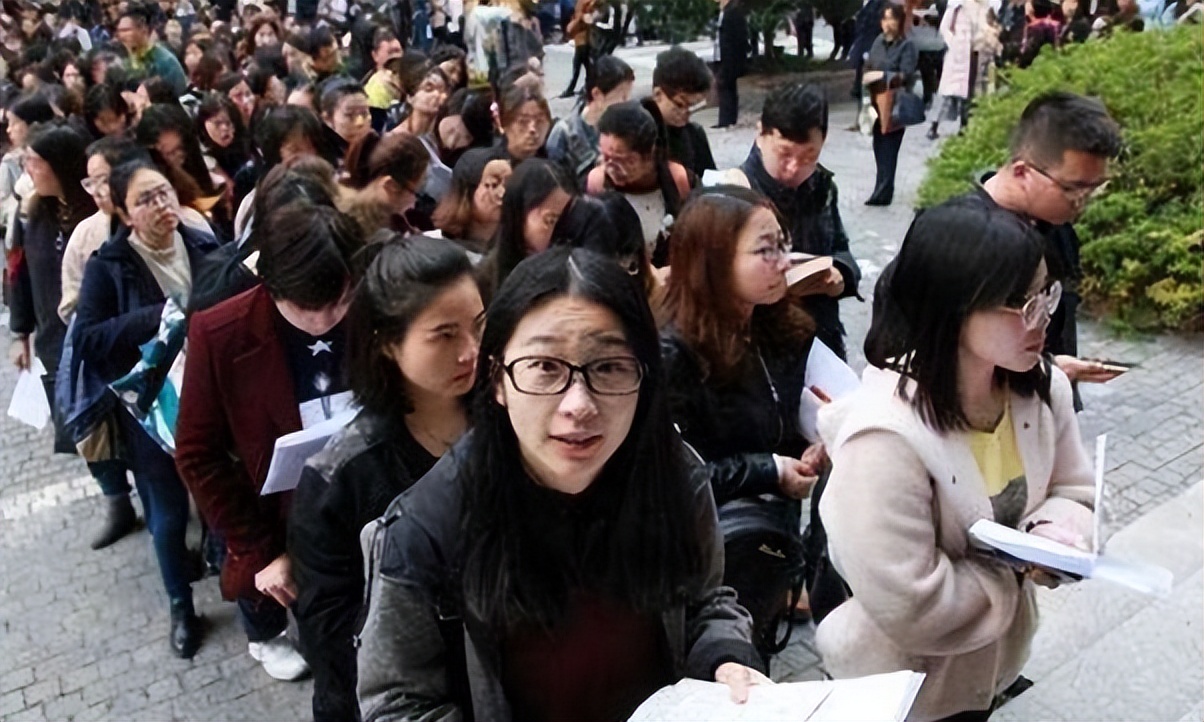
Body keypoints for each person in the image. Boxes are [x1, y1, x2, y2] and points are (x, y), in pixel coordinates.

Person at [356, 246, 768, 722]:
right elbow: (397, 705)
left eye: (609, 367)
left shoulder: (675, 477)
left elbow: (705, 599)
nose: (579, 405)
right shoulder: (429, 527)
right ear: (498, 380)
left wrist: (726, 657)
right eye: (546, 367)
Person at [817, 196, 1095, 722]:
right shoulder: (884, 438)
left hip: (990, 667)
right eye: (1022, 304)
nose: (1043, 320)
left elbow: (1073, 489)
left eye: (1046, 295)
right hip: (897, 687)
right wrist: (1016, 571)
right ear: (951, 306)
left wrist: (1059, 535)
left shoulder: (1040, 388)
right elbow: (911, 602)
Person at [290, 234, 483, 722]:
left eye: (478, 327)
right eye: (445, 335)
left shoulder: (513, 420)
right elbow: (331, 635)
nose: (471, 351)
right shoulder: (341, 476)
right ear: (388, 345)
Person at [174, 202, 360, 681]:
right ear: (270, 286)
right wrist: (257, 552)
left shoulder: (373, 304)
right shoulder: (221, 333)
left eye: (338, 303)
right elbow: (197, 453)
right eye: (306, 310)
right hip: (282, 522)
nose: (324, 322)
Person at [874, 92, 1122, 405]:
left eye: (1094, 189)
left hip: (1039, 408)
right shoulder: (951, 239)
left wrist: (1052, 370)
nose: (1083, 203)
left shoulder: (1055, 227)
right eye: (1073, 189)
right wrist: (1044, 370)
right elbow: (904, 351)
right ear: (1022, 171)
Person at [73, 157, 220, 658]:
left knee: (220, 492)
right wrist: (159, 315)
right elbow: (90, 338)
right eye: (145, 200)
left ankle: (227, 568)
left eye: (164, 193)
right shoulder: (108, 266)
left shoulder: (202, 241)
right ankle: (181, 606)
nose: (161, 206)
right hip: (152, 408)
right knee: (168, 511)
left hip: (211, 393)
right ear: (126, 213)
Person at [586, 99, 692, 266]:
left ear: (649, 153)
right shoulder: (598, 182)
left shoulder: (675, 178)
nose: (612, 168)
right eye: (605, 158)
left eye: (624, 160)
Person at [482, 157, 574, 300]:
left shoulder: (572, 269)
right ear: (519, 215)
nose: (561, 231)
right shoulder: (485, 281)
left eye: (567, 220)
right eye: (550, 221)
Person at [545, 54, 633, 186]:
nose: (627, 104)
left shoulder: (624, 128)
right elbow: (557, 189)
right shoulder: (564, 134)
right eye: (622, 97)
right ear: (597, 94)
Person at [863, 4, 918, 206]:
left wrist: (884, 75)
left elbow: (907, 74)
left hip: (894, 103)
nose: (888, 24)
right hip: (876, 99)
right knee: (878, 145)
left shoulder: (907, 45)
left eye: (892, 19)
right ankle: (880, 188)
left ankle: (884, 192)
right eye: (884, 19)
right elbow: (869, 64)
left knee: (889, 147)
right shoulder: (878, 41)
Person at [340, 130, 430, 236]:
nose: (414, 202)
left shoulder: (386, 215)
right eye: (417, 191)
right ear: (390, 185)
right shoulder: (353, 232)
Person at [431, 147, 512, 260]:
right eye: (493, 184)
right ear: (466, 193)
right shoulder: (431, 247)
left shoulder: (514, 254)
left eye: (508, 184)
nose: (502, 193)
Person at [650, 46, 716, 180]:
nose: (687, 113)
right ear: (658, 94)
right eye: (680, 105)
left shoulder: (694, 135)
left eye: (693, 107)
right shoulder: (635, 134)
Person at [929, 0, 990, 139]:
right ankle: (934, 125)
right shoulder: (956, 8)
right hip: (954, 57)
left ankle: (964, 126)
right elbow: (944, 28)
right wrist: (953, 43)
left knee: (967, 94)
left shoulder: (982, 8)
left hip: (972, 56)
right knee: (946, 94)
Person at [115, 2, 188, 96]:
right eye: (119, 31)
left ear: (143, 30)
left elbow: (180, 97)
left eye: (126, 30)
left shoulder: (166, 62)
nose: (121, 36)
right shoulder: (120, 60)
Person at [317, 78, 372, 167]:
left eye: (364, 113)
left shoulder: (378, 149)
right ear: (327, 119)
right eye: (349, 115)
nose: (360, 122)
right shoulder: (320, 158)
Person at [496, 83, 552, 164]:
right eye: (523, 121)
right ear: (504, 125)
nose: (532, 129)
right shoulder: (491, 166)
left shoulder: (556, 161)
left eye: (539, 121)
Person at [714, 0, 748, 129]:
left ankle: (727, 120)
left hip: (730, 58)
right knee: (726, 87)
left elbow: (738, 39)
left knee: (727, 86)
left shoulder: (733, 13)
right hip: (724, 57)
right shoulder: (725, 12)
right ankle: (726, 119)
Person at [558, 0, 596, 98]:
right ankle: (587, 87)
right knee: (585, 65)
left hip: (583, 39)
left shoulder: (585, 3)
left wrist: (573, 24)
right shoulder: (585, 3)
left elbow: (583, 17)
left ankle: (572, 89)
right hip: (582, 38)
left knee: (579, 65)